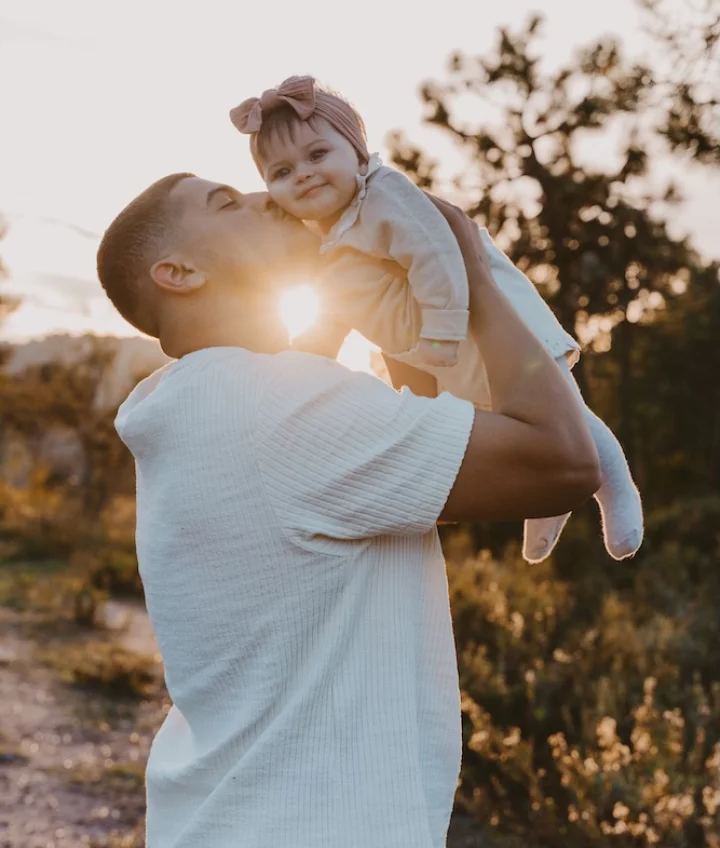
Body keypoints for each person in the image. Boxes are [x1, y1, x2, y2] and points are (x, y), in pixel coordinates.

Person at [96, 173, 600, 848]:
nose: (265, 196)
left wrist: (369, 285)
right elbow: (564, 460)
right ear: (178, 273)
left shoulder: (208, 405)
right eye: (227, 204)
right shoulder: (280, 409)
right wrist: (464, 268)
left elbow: (407, 447)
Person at [229, 75, 643, 565]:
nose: (302, 174)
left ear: (358, 154)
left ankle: (615, 488)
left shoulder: (383, 196)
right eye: (281, 172)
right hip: (438, 344)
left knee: (555, 398)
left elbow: (438, 256)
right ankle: (548, 497)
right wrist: (292, 368)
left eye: (318, 155)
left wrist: (442, 334)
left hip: (476, 317)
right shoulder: (329, 237)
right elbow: (333, 312)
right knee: (508, 419)